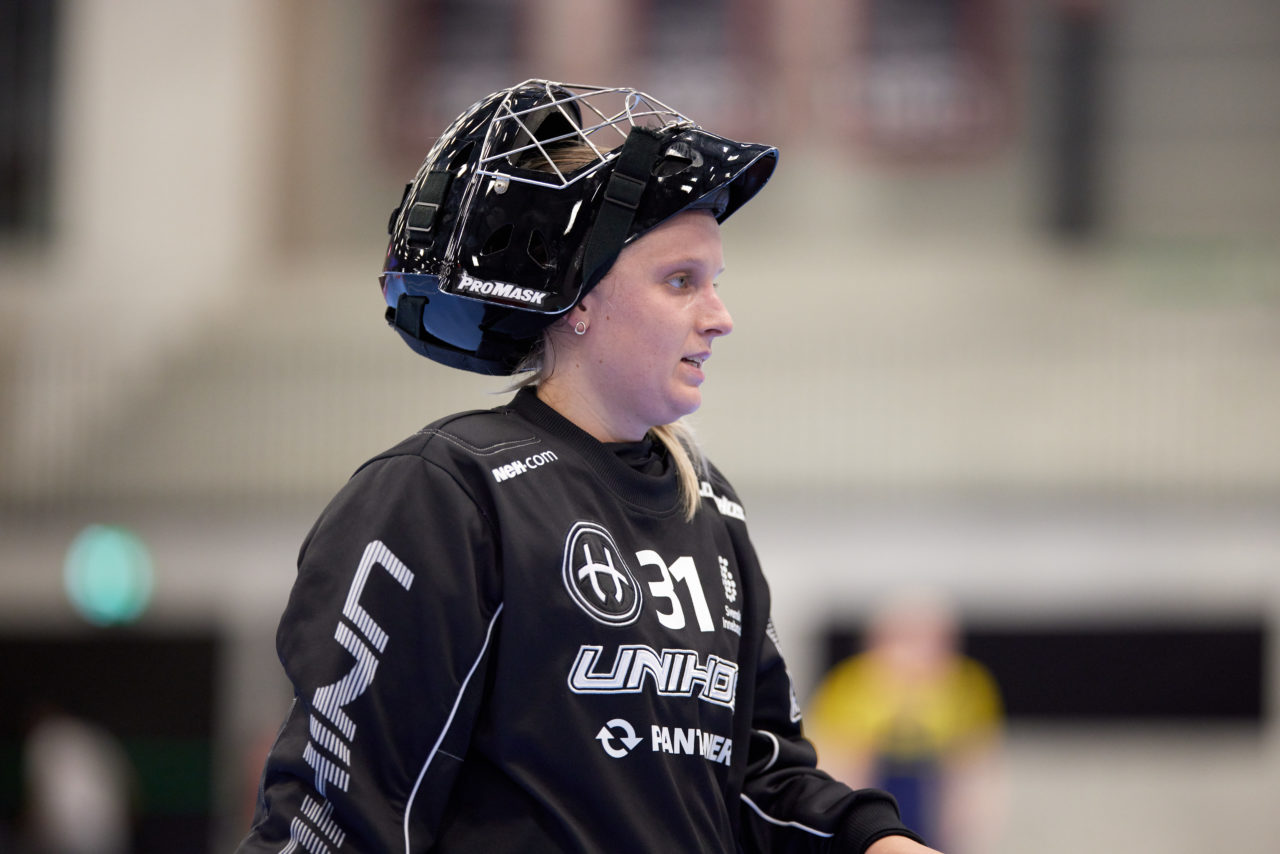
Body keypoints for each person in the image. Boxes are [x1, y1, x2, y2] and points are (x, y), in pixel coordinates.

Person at [237, 79, 940, 853]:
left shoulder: (707, 508)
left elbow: (757, 780)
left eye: (716, 283)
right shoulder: (447, 493)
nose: (721, 316)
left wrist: (876, 843)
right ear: (577, 298)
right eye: (681, 282)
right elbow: (342, 812)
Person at [806, 591, 1004, 854]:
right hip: (873, 800)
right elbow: (836, 766)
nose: (916, 654)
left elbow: (975, 765)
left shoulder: (966, 684)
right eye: (906, 641)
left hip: (933, 803)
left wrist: (967, 826)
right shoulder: (850, 684)